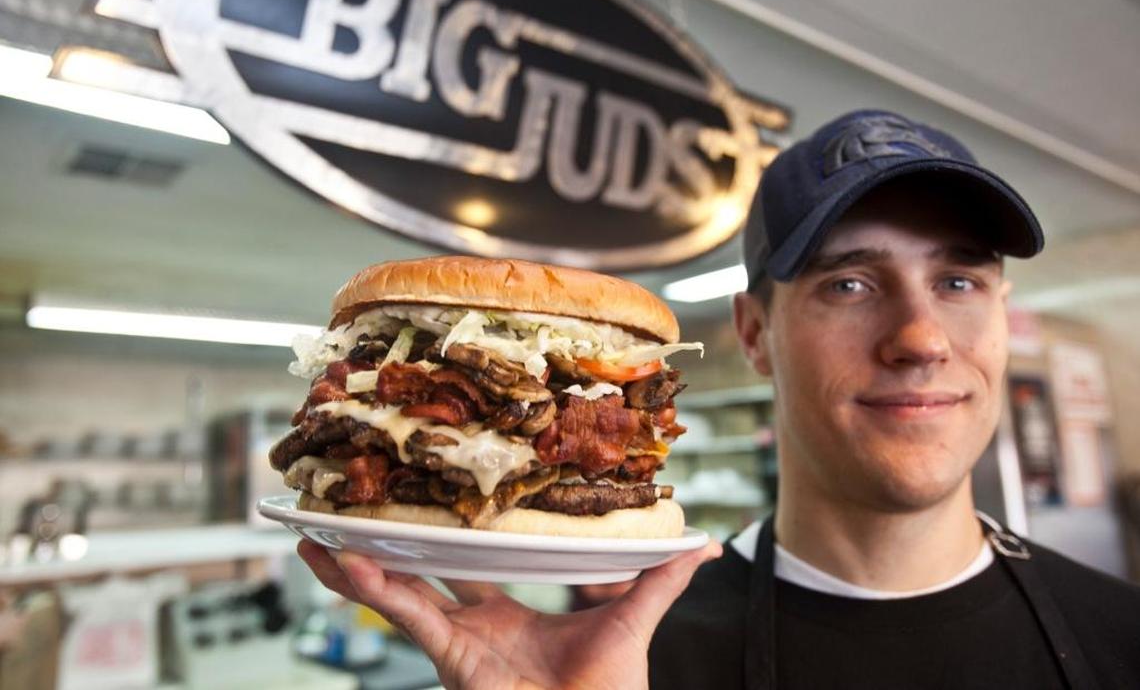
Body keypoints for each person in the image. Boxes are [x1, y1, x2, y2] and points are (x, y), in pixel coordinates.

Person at [298, 110, 1140, 689]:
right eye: (848, 282)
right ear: (752, 333)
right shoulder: (631, 650)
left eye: (959, 279)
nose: (921, 337)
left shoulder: (1121, 631)